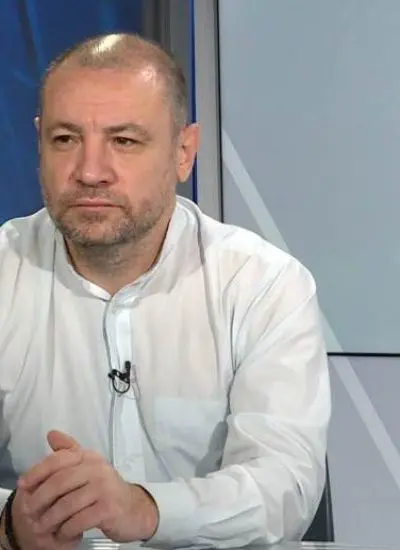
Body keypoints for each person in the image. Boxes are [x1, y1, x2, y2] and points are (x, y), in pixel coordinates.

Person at [0, 32, 331, 550]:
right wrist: (11, 525)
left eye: (124, 141)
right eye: (65, 139)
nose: (90, 172)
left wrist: (145, 509)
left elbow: (283, 486)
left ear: (183, 152)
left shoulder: (262, 286)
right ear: (39, 142)